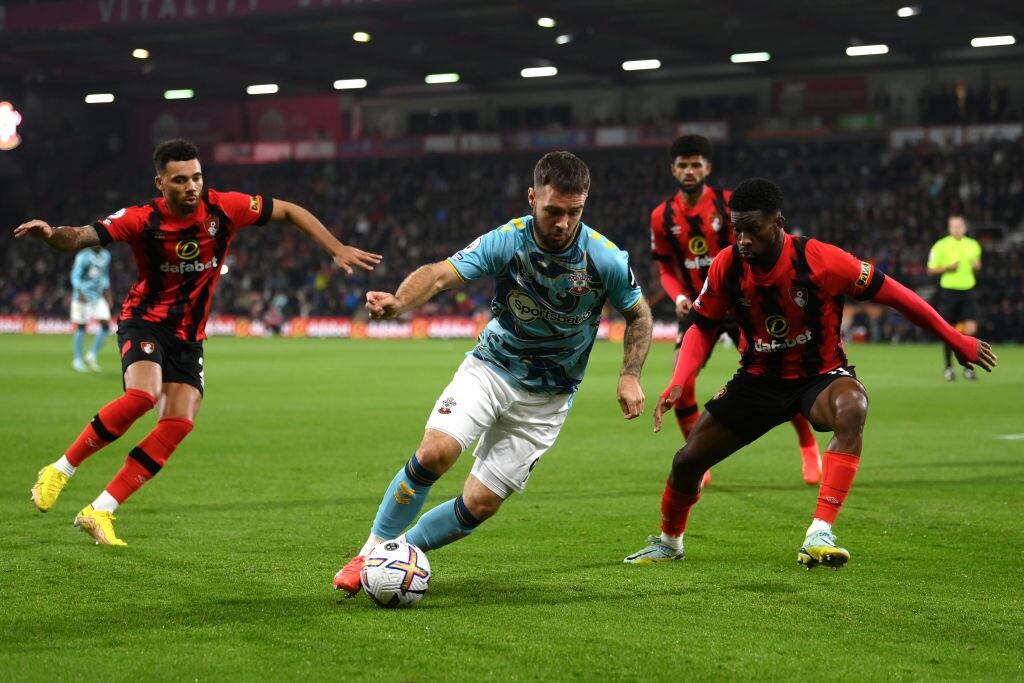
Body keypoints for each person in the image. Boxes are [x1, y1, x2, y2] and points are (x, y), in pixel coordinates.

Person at [16, 138, 381, 545]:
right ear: (161, 183)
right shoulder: (141, 219)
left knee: (178, 423)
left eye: (197, 177)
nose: (191, 186)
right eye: (180, 180)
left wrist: (336, 248)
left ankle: (100, 509)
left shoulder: (225, 208)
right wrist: (51, 235)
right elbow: (83, 235)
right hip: (145, 321)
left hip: (189, 337)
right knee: (142, 396)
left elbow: (290, 210)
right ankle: (60, 470)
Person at [624, 178, 996, 569]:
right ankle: (669, 542)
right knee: (686, 462)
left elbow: (899, 296)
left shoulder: (821, 259)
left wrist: (954, 338)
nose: (744, 239)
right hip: (758, 379)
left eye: (754, 229)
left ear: (778, 222)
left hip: (819, 375)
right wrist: (679, 380)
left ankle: (819, 532)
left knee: (852, 405)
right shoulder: (727, 265)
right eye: (738, 230)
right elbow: (702, 325)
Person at [333, 151, 652, 595]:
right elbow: (441, 275)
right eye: (552, 211)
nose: (562, 223)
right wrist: (400, 303)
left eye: (574, 212)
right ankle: (369, 553)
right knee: (436, 453)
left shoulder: (605, 258)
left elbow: (639, 315)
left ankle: (397, 552)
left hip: (548, 398)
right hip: (492, 368)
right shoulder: (508, 240)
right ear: (531, 198)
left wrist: (630, 373)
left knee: (479, 505)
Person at [650, 135, 820, 486]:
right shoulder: (661, 216)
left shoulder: (730, 205)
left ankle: (807, 446)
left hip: (745, 305)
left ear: (708, 168)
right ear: (673, 169)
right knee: (682, 384)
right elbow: (666, 267)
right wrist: (679, 296)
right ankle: (699, 459)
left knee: (778, 376)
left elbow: (755, 251)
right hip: (701, 308)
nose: (689, 170)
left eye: (696, 164)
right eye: (682, 165)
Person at [927, 215, 982, 381]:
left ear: (964, 227)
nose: (957, 228)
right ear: (949, 228)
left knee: (971, 330)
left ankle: (969, 368)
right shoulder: (941, 245)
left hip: (968, 291)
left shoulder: (973, 245)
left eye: (959, 226)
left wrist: (977, 266)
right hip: (949, 292)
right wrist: (947, 268)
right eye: (953, 226)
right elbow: (930, 269)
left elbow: (978, 266)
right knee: (949, 331)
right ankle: (949, 367)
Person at [69, 245, 113, 372]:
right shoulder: (83, 256)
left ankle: (91, 354)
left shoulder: (106, 255)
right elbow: (75, 275)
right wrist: (79, 291)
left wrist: (108, 294)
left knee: (105, 324)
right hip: (82, 296)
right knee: (81, 326)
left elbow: (105, 276)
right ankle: (77, 359)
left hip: (98, 296)